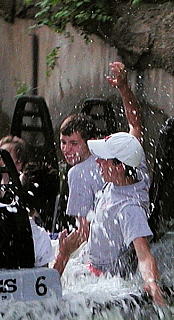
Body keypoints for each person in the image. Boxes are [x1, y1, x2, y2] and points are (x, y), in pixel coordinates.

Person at [52, 131, 165, 306]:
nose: (97, 161)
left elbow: (144, 255)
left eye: (103, 158)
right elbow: (134, 130)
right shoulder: (135, 171)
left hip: (99, 281)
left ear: (119, 167)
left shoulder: (129, 209)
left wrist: (152, 283)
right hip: (85, 258)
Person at [59, 61, 144, 228]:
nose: (66, 149)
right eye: (63, 142)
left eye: (74, 144)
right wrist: (123, 88)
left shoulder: (78, 174)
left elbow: (85, 232)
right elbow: (136, 124)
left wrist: (63, 253)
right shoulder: (132, 155)